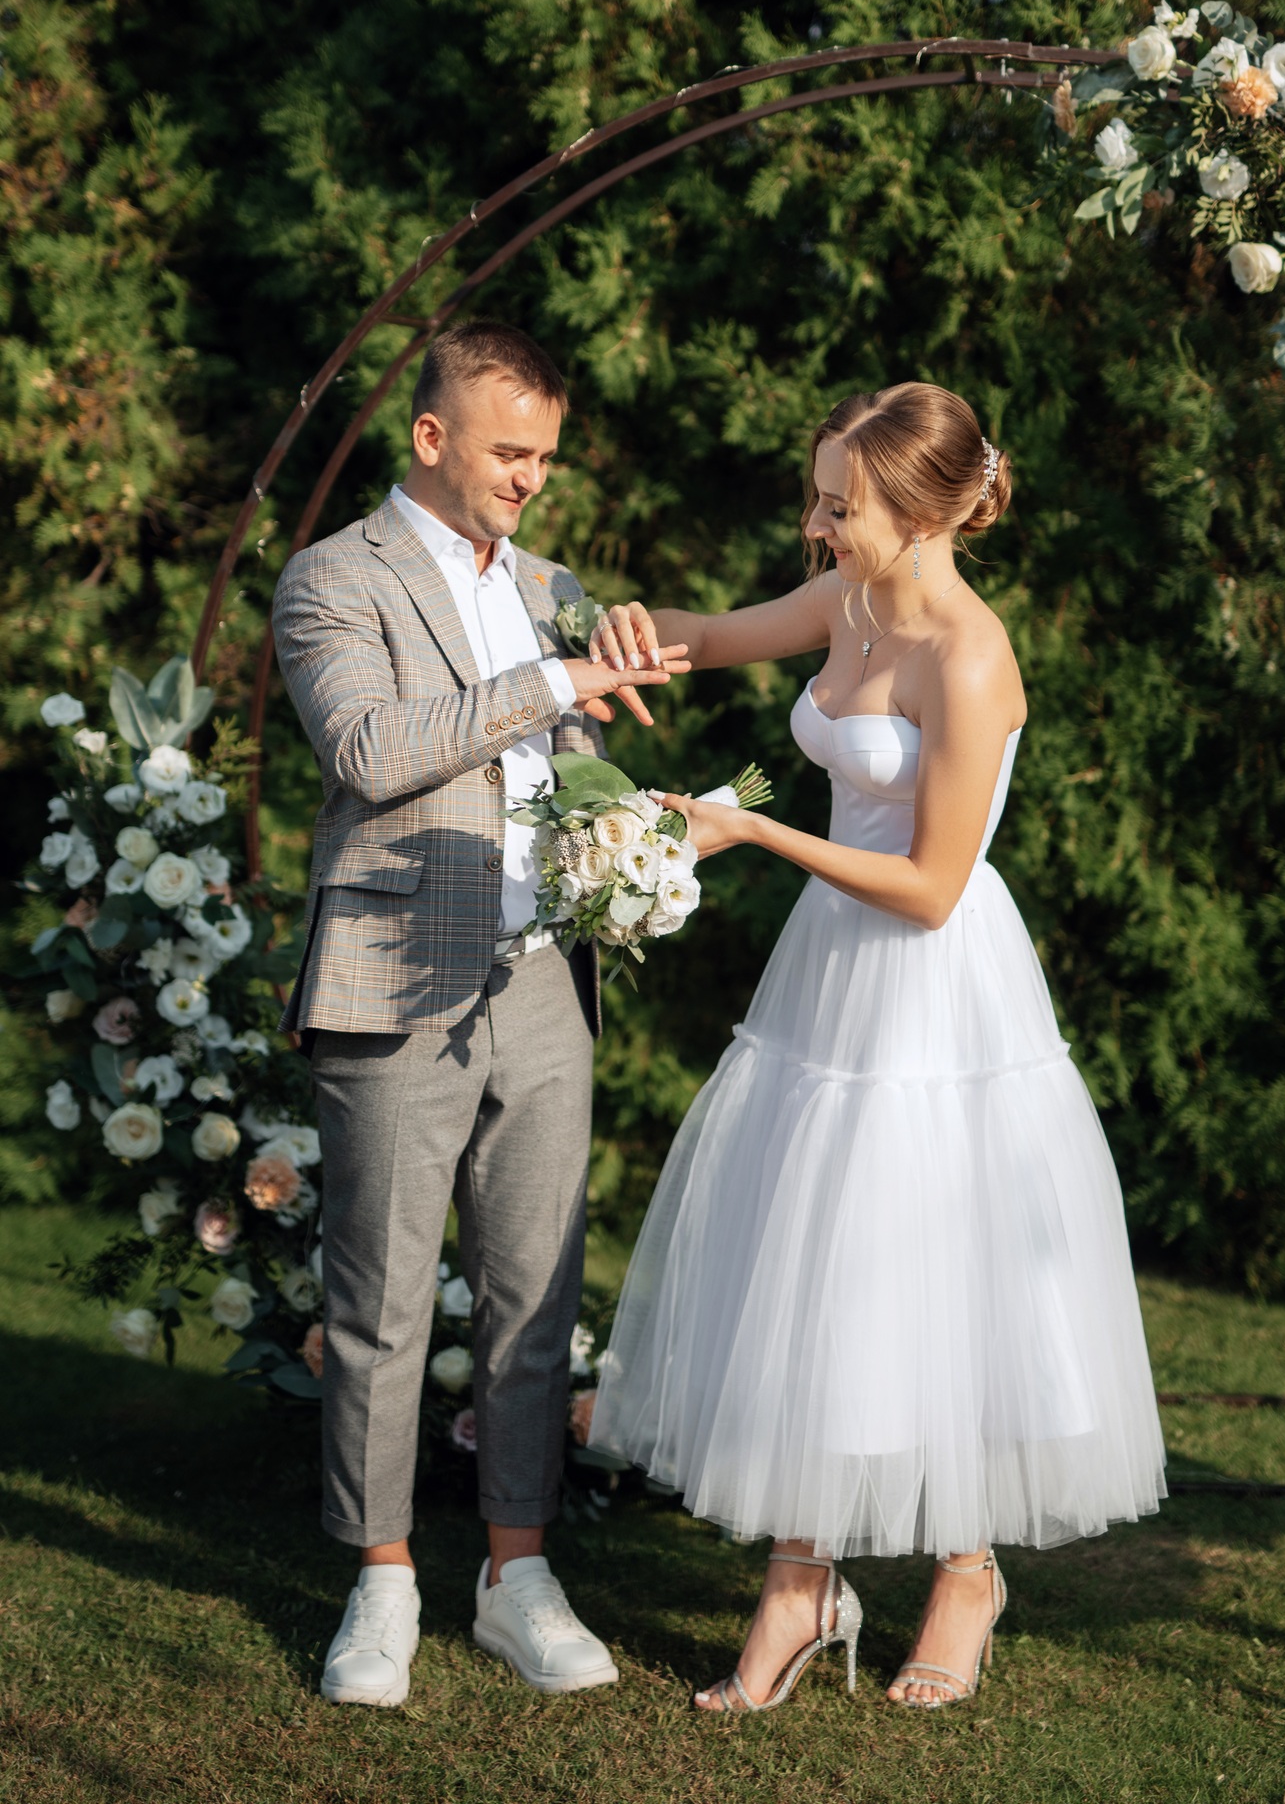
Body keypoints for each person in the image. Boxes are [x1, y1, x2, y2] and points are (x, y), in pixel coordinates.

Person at [587, 383, 1167, 1713]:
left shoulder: (969, 654)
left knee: (925, 1260)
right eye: (817, 498)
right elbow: (710, 634)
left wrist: (748, 831)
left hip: (927, 976)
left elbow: (932, 887)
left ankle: (966, 1571)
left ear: (919, 513)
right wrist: (629, 634)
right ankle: (801, 1579)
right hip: (830, 977)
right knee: (810, 1256)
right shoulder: (848, 604)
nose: (815, 524)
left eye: (838, 506)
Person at [272, 320, 689, 1706]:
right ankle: (380, 1580)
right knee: (382, 1299)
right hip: (392, 979)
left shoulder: (559, 586)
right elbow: (373, 752)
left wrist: (631, 835)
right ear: (432, 437)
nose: (533, 480)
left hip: (542, 987)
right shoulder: (332, 577)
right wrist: (556, 682)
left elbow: (575, 765)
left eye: (549, 458)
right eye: (512, 453)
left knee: (535, 1296)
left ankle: (519, 1576)